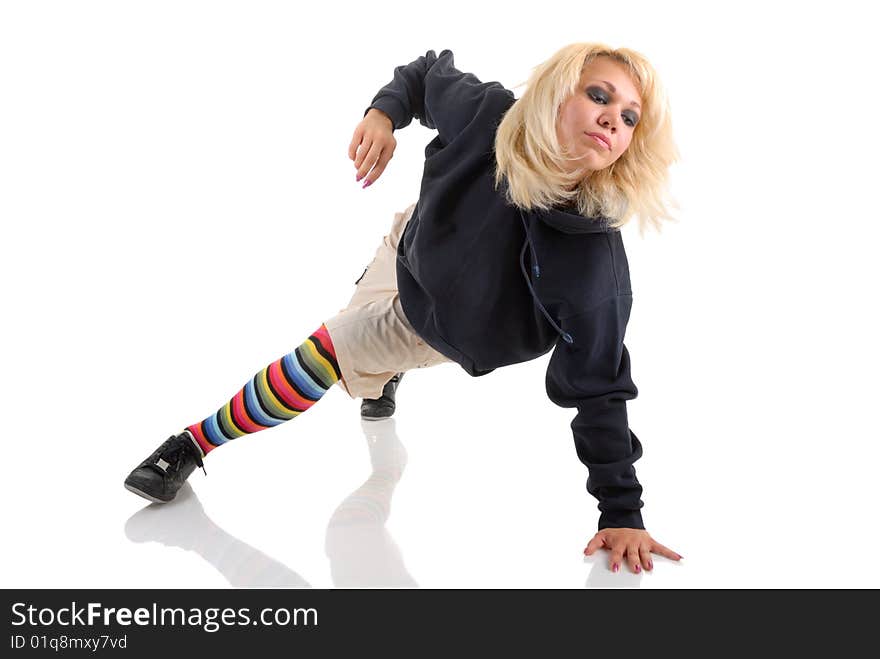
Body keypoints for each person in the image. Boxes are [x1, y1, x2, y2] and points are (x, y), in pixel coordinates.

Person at [125, 43, 684, 574]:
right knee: (357, 365)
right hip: (410, 245)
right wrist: (383, 114)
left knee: (323, 356)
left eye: (631, 117)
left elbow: (600, 385)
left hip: (436, 327)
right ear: (556, 95)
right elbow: (423, 73)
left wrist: (622, 513)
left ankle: (190, 444)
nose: (614, 119)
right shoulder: (487, 112)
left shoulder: (592, 262)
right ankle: (378, 380)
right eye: (600, 96)